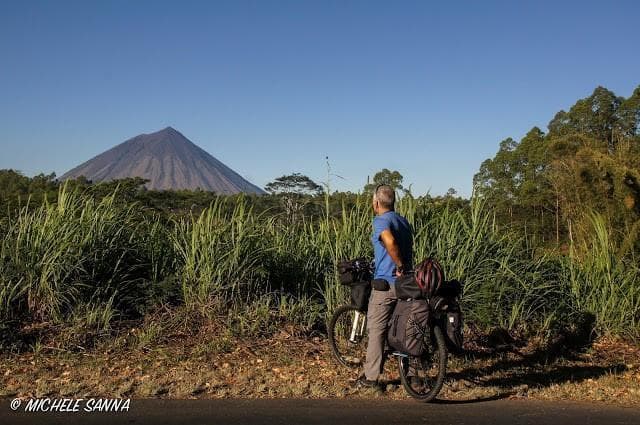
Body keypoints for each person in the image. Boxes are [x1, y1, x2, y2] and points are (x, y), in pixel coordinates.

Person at [356, 184, 413, 389]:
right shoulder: (403, 221)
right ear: (394, 202)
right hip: (407, 284)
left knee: (377, 329)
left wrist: (398, 265)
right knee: (406, 328)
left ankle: (371, 378)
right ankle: (412, 374)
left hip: (387, 284)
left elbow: (388, 240)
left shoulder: (381, 220)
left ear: (376, 203)